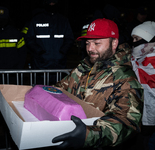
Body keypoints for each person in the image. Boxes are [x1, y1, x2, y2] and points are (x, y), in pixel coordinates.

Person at [52, 18, 143, 149]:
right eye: (88, 43)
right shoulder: (82, 68)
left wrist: (89, 135)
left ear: (114, 43)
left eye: (97, 43)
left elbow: (127, 122)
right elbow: (60, 89)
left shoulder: (125, 79)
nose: (90, 48)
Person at [26, 0, 74, 84]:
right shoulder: (36, 19)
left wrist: (62, 52)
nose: (52, 4)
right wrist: (40, 52)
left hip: (59, 66)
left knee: (58, 92)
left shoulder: (63, 20)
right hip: (40, 65)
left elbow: (69, 38)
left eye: (54, 3)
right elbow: (29, 39)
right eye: (49, 3)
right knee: (40, 91)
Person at [131, 21, 155, 150]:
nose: (134, 42)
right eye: (133, 39)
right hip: (141, 114)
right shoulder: (138, 58)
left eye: (137, 39)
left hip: (150, 116)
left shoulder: (150, 62)